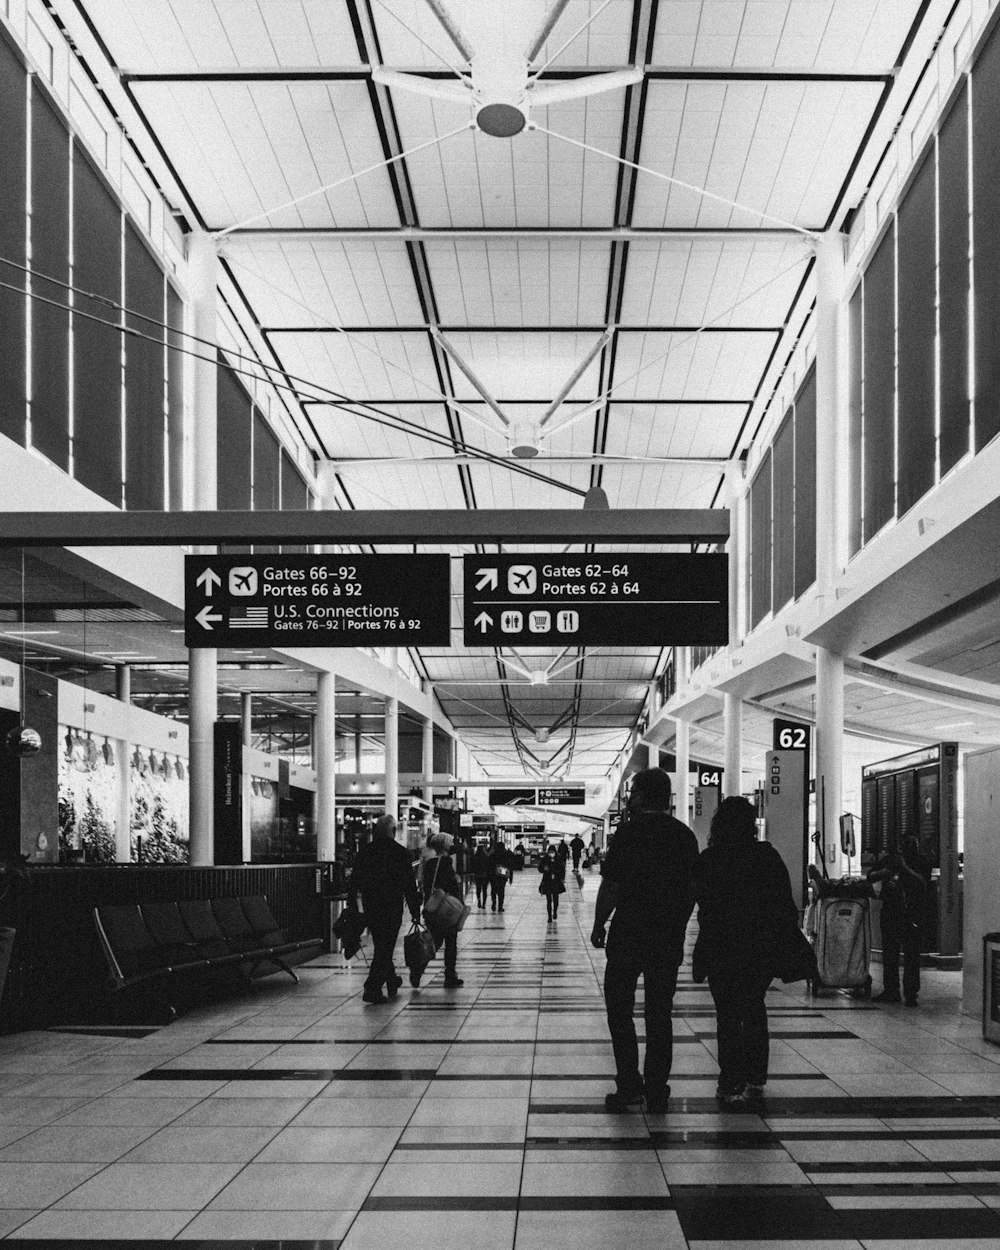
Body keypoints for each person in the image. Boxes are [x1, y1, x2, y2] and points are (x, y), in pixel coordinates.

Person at [591, 768, 698, 1113]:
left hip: (628, 935)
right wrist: (679, 928)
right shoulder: (684, 836)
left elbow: (612, 886)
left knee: (619, 1010)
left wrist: (598, 923)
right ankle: (656, 1089)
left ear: (643, 795)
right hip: (665, 937)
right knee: (659, 1013)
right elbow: (690, 891)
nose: (630, 796)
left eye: (633, 790)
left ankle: (629, 1085)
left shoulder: (628, 833)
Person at [693, 796, 798, 1104]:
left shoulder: (710, 859)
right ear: (751, 825)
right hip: (759, 947)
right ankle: (756, 1075)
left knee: (727, 1013)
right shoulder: (766, 856)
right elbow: (783, 902)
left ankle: (730, 1081)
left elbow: (700, 900)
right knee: (753, 1006)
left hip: (721, 946)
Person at [348, 813, 421, 1004]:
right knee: (385, 947)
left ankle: (391, 980)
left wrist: (352, 903)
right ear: (394, 831)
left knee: (382, 944)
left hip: (371, 906)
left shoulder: (365, 851)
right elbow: (409, 885)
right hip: (392, 907)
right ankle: (371, 988)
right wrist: (415, 910)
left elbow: (354, 879)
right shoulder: (401, 853)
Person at [867, 835, 931, 1006]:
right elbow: (870, 875)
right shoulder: (889, 860)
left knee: (911, 956)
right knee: (890, 954)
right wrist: (885, 872)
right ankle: (891, 990)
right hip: (891, 911)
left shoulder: (921, 861)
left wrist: (904, 869)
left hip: (911, 913)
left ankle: (911, 993)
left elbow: (923, 882)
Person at [421, 832, 464, 988]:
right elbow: (451, 885)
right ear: (445, 845)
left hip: (432, 907)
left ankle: (420, 966)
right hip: (446, 909)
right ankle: (450, 975)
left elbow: (426, 885)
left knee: (435, 941)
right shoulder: (446, 862)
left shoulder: (430, 864)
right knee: (451, 943)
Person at [538, 845, 565, 921]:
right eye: (550, 852)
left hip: (556, 881)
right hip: (547, 881)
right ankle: (549, 916)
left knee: (556, 899)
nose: (551, 854)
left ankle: (555, 912)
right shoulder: (545, 859)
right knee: (549, 900)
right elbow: (540, 868)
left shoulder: (558, 859)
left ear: (555, 852)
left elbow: (563, 869)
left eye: (552, 852)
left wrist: (561, 878)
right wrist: (544, 869)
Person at [488, 838, 514, 912]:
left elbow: (489, 865)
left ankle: (494, 902)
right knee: (501, 891)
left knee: (493, 890)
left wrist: (489, 875)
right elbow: (510, 866)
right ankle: (500, 906)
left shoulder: (492, 855)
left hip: (493, 875)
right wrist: (510, 877)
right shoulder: (506, 855)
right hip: (502, 875)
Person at [471, 842, 491, 909]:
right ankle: (484, 904)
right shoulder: (486, 856)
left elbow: (473, 866)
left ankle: (479, 900)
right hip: (485, 875)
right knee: (484, 890)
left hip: (477, 875)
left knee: (478, 889)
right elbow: (489, 866)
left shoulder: (475, 857)